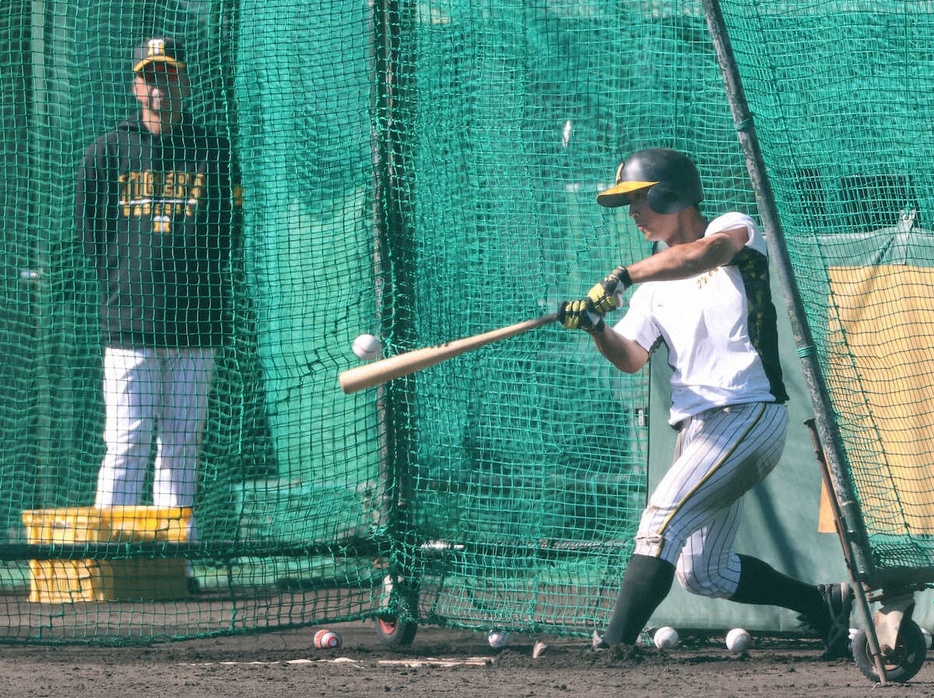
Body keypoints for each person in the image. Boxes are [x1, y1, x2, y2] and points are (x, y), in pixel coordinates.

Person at [557, 148, 852, 658]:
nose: (633, 214)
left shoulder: (730, 228)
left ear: (669, 194)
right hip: (698, 431)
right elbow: (630, 357)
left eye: (638, 200)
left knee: (658, 524)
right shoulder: (652, 291)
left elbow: (707, 255)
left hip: (748, 410)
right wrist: (596, 326)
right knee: (704, 571)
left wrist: (625, 275)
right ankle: (824, 604)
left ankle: (613, 646)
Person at [75, 37, 242, 576]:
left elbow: (228, 230)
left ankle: (176, 565)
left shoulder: (213, 151)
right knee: (126, 444)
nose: (158, 86)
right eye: (149, 76)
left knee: (181, 447)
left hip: (196, 324)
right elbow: (92, 234)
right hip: (130, 325)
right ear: (135, 85)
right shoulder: (106, 152)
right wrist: (127, 285)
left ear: (183, 84)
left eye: (167, 75)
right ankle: (106, 562)